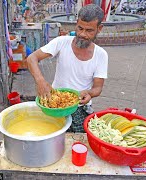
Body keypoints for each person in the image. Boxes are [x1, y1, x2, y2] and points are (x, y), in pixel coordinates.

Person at [25, 4, 108, 133]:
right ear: (76, 23)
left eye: (89, 30)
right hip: (55, 104)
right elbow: (31, 58)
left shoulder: (101, 55)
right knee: (52, 139)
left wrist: (90, 93)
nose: (82, 34)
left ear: (99, 28)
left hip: (79, 107)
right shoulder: (61, 42)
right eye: (80, 28)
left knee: (78, 142)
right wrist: (40, 81)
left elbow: (98, 88)